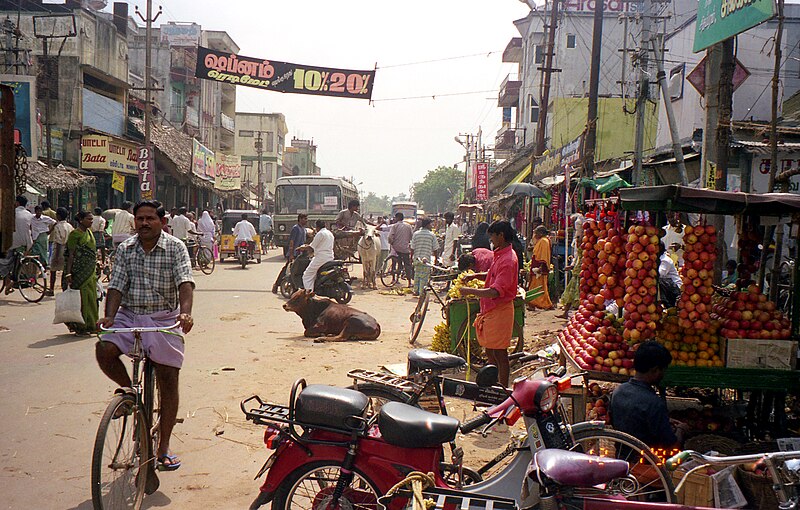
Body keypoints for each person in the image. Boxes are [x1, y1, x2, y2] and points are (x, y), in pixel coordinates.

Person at [96, 200, 195, 472]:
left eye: (150, 218)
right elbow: (116, 286)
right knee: (104, 348)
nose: (144, 223)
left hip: (164, 317)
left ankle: (163, 447)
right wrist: (110, 316)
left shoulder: (176, 248)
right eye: (140, 219)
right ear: (134, 222)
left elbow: (185, 283)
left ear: (162, 222)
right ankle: (130, 394)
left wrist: (185, 314)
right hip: (129, 315)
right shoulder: (126, 249)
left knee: (168, 379)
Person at [458, 221, 519, 387]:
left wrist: (470, 291)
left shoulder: (507, 260)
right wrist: (475, 277)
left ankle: (503, 389)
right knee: (490, 351)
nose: (490, 239)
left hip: (499, 310)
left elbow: (495, 291)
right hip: (491, 310)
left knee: (500, 354)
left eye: (492, 235)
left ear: (501, 236)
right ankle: (493, 386)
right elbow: (492, 274)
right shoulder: (501, 254)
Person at [610, 341, 685, 449]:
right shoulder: (654, 403)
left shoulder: (618, 391)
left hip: (623, 457)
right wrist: (681, 429)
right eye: (663, 370)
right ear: (655, 370)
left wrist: (664, 420)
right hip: (647, 461)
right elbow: (673, 446)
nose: (664, 374)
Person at [64, 210, 98, 334]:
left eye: (92, 219)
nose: (91, 221)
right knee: (82, 300)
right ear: (81, 220)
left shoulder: (89, 233)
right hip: (79, 273)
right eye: (89, 219)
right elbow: (71, 255)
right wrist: (69, 273)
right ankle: (80, 326)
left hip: (90, 271)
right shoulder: (74, 234)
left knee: (92, 298)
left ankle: (92, 324)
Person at [1, 196, 34, 294]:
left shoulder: (11, 214)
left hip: (13, 242)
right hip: (26, 243)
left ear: (17, 203)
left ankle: (8, 282)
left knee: (3, 262)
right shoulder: (29, 215)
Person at [273, 214, 308, 293]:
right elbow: (291, 241)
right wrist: (291, 254)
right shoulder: (295, 228)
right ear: (300, 219)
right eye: (305, 219)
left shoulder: (304, 229)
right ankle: (276, 284)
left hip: (301, 254)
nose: (306, 220)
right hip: (294, 253)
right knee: (286, 269)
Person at [300, 219, 335, 291]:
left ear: (317, 227)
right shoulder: (329, 233)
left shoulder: (320, 234)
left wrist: (302, 248)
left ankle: (308, 292)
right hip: (330, 257)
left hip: (321, 258)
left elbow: (311, 247)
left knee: (307, 275)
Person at [47, 207, 74, 296]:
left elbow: (58, 242)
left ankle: (51, 289)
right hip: (68, 250)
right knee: (65, 270)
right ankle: (65, 288)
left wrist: (57, 256)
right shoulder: (70, 226)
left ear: (58, 216)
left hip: (59, 250)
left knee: (53, 270)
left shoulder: (58, 226)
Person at [528, 225, 554, 310]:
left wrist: (541, 267)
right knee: (534, 286)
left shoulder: (544, 241)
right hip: (536, 266)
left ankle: (544, 303)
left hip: (539, 267)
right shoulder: (541, 241)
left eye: (537, 233)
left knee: (540, 287)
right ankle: (533, 303)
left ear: (541, 233)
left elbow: (544, 255)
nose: (535, 235)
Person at [410, 218, 439, 296]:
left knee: (417, 275)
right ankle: (421, 292)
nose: (431, 226)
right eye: (430, 224)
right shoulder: (432, 235)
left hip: (417, 259)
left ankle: (416, 291)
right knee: (424, 277)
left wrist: (411, 258)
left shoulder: (416, 234)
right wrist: (436, 259)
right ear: (427, 225)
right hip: (426, 260)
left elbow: (412, 248)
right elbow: (435, 249)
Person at [388, 212, 414, 286]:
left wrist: (392, 243)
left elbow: (390, 237)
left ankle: (394, 279)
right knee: (407, 265)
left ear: (397, 218)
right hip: (405, 249)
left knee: (394, 263)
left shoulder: (394, 226)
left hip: (396, 248)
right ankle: (409, 282)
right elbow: (411, 237)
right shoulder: (408, 226)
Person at [658, 242, 682, 308]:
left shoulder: (665, 260)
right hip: (668, 286)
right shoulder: (659, 258)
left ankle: (668, 304)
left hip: (675, 288)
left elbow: (660, 274)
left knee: (659, 280)